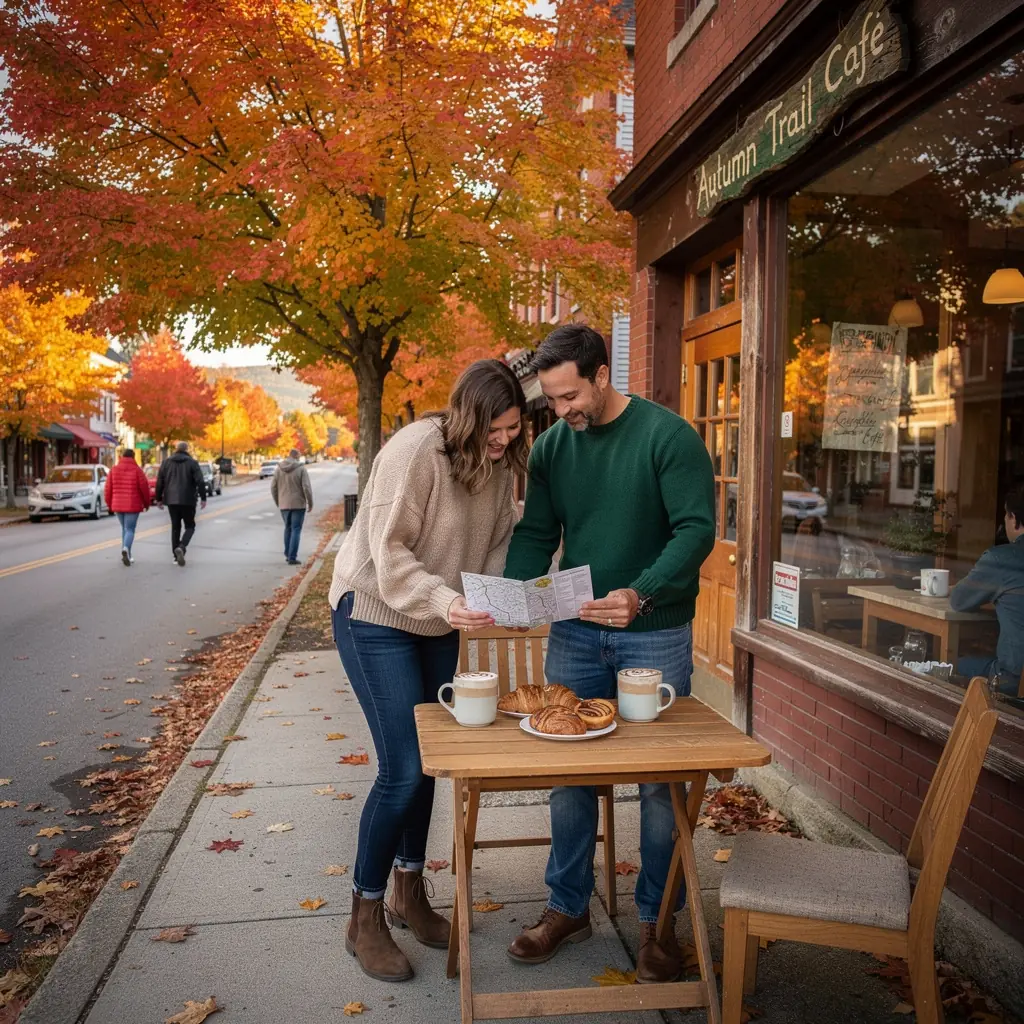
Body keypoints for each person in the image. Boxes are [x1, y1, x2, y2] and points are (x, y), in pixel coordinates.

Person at [502, 324, 715, 983]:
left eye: (569, 395)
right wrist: (515, 595)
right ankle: (568, 907)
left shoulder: (667, 436)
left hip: (653, 631)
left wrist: (643, 594)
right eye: (551, 400)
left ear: (600, 375)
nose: (561, 411)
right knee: (570, 775)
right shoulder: (553, 450)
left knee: (659, 781)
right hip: (574, 632)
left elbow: (696, 530)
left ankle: (657, 921)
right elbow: (538, 534)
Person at [329, 360, 527, 983]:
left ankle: (409, 892)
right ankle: (363, 916)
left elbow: (496, 542)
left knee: (432, 760)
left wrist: (493, 597)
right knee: (403, 768)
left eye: (514, 431)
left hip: (440, 621)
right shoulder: (415, 450)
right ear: (466, 418)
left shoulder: (499, 468)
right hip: (374, 612)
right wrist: (448, 601)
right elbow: (387, 555)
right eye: (494, 432)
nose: (503, 443)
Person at [950, 483, 1024, 691]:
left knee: (955, 666)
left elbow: (959, 600)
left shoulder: (1002, 559)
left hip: (1013, 680)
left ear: (1013, 518)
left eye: (1005, 516)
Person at [155, 441, 207, 566]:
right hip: (188, 499)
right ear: (186, 449)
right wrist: (203, 498)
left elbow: (159, 482)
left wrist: (159, 499)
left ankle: (175, 556)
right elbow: (200, 481)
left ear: (176, 449)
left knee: (175, 527)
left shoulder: (166, 462)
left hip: (171, 500)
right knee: (190, 526)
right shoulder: (192, 463)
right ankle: (182, 547)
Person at [104, 448, 151, 566]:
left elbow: (108, 489)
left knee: (125, 529)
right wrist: (146, 503)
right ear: (133, 457)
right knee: (130, 529)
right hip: (132, 504)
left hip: (118, 505)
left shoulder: (114, 470)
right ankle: (125, 549)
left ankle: (127, 554)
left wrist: (109, 504)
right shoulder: (137, 470)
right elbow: (144, 488)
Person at [271, 448, 314, 565]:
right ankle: (292, 557)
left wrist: (278, 501)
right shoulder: (301, 469)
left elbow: (273, 487)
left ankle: (288, 553)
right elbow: (306, 487)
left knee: (288, 528)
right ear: (296, 456)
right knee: (296, 529)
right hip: (298, 504)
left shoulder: (278, 470)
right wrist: (310, 502)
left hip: (284, 504)